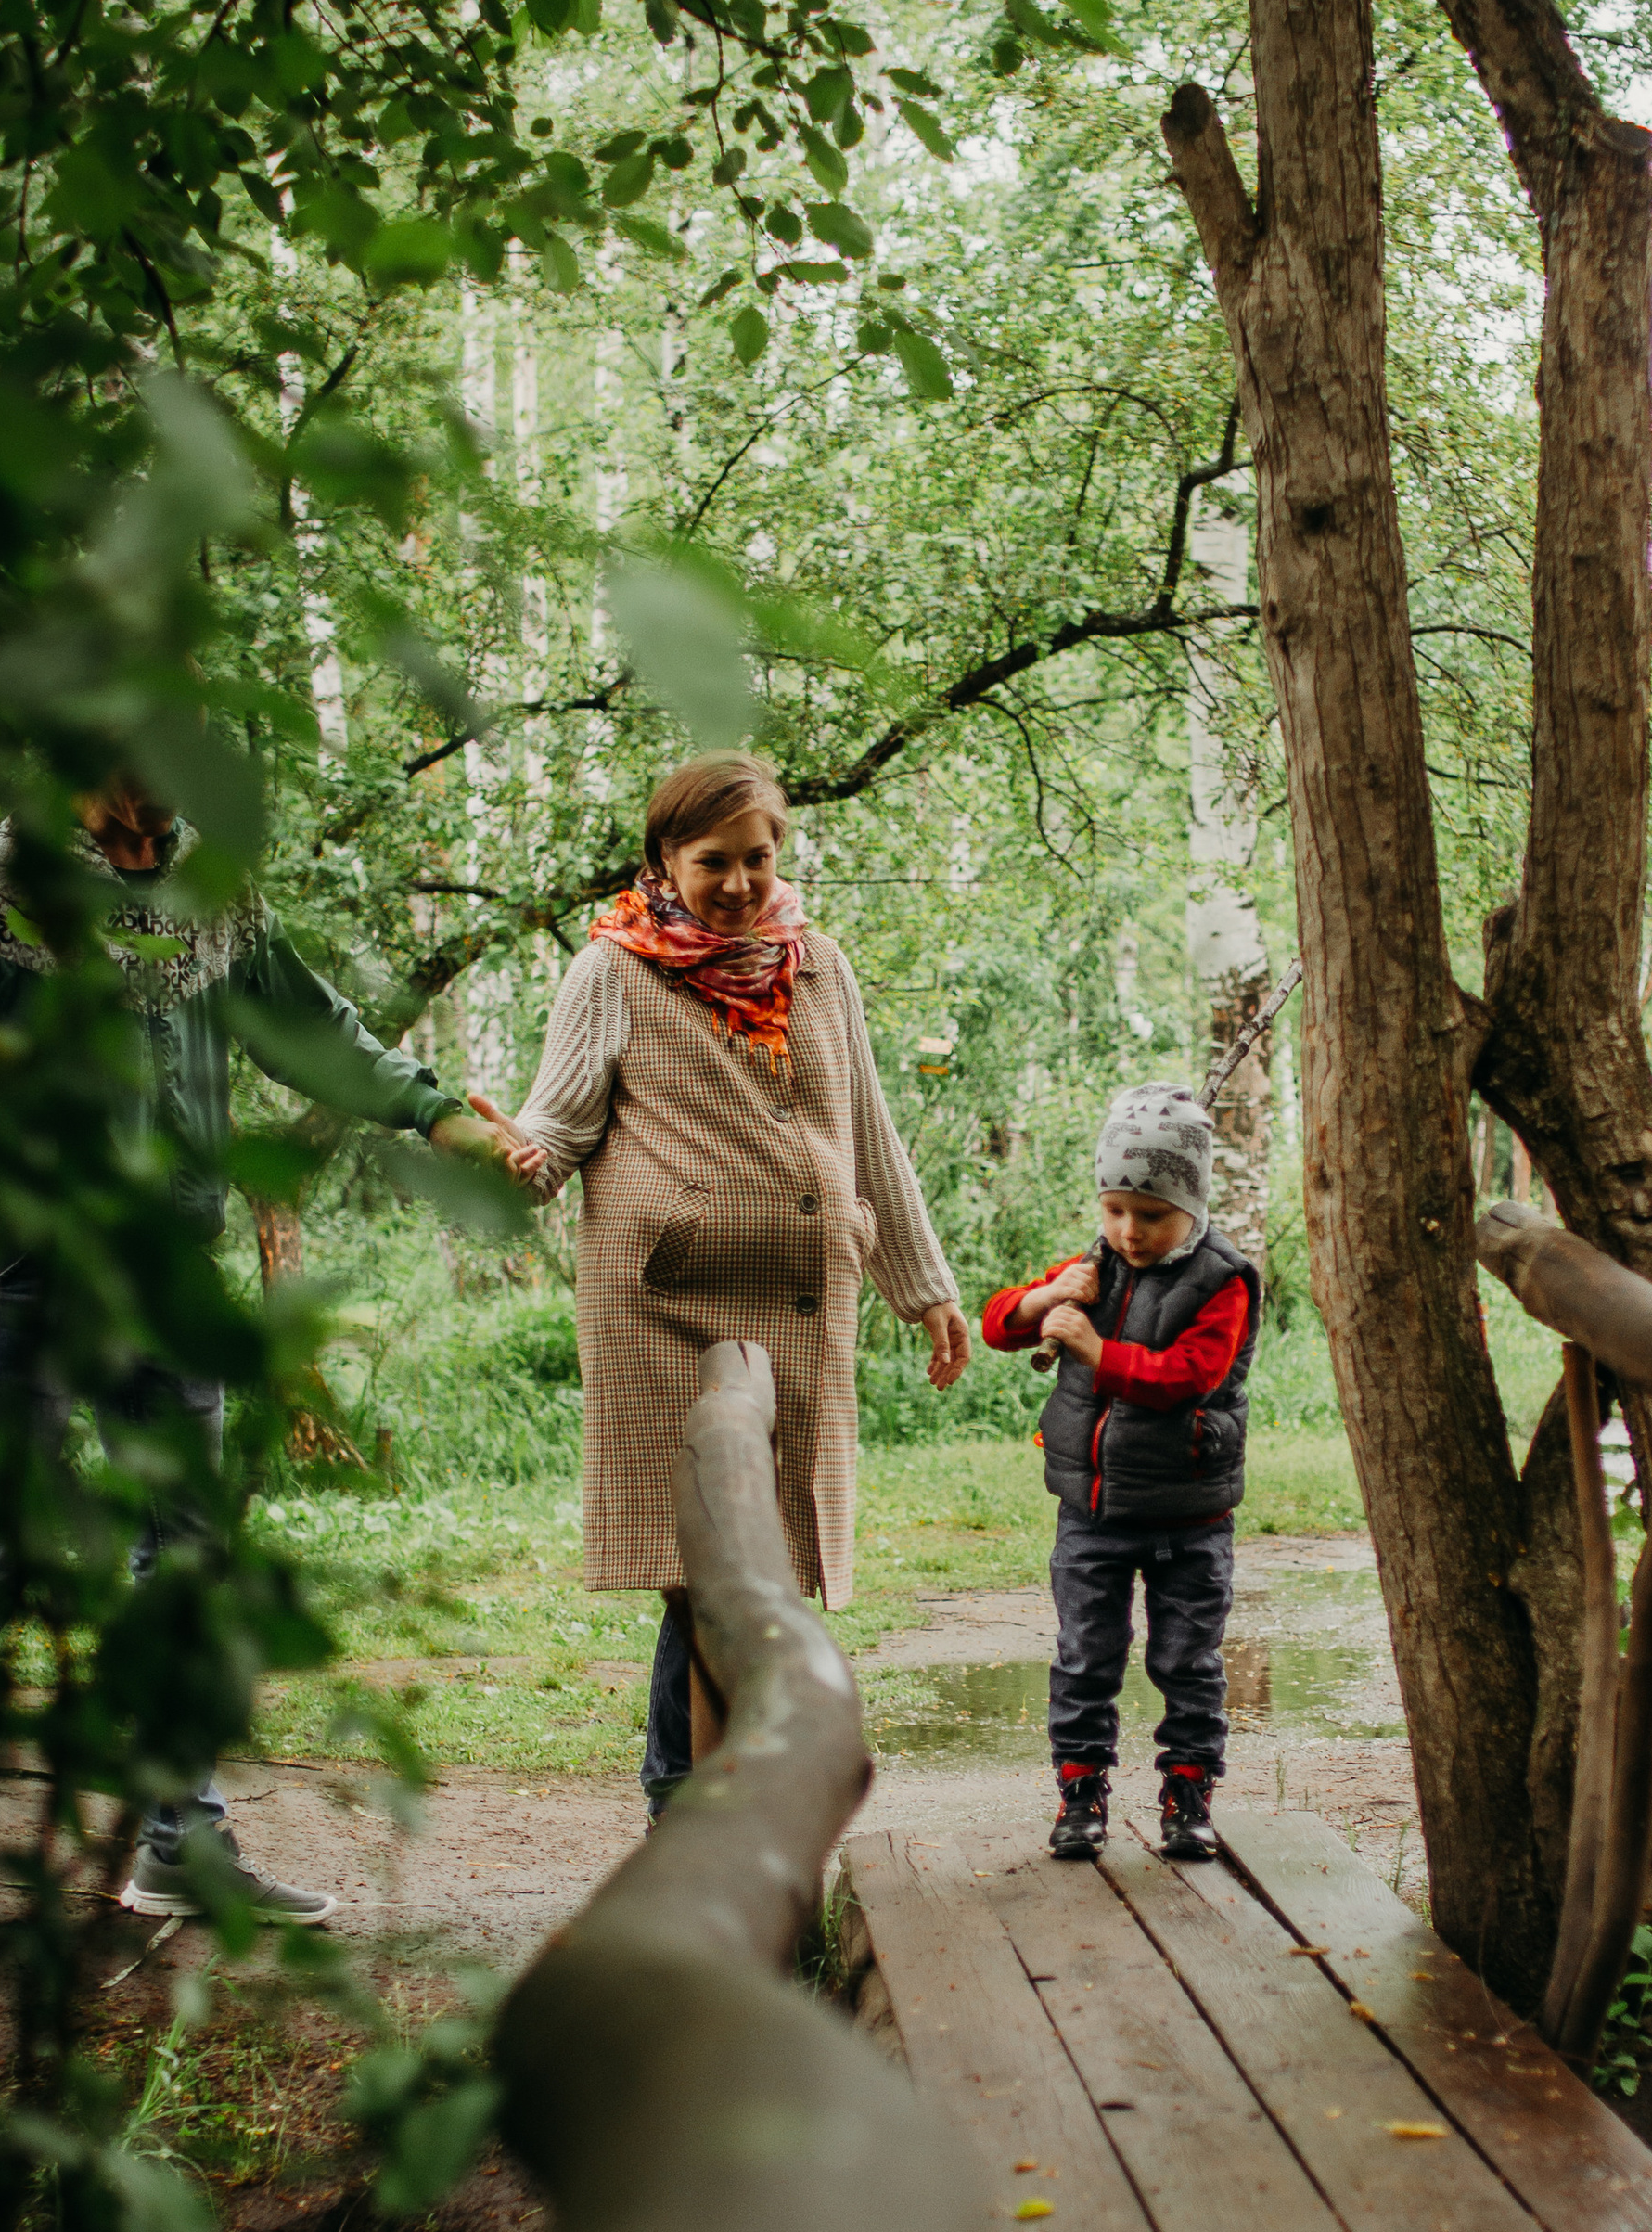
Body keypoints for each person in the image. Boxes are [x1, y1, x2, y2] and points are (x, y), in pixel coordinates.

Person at [0, 776, 528, 1943]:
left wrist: (438, 1112)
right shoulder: (2, 880)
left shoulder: (209, 891)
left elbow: (309, 1026)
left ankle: (180, 1842)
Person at [506, 752, 968, 1814]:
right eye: (713, 861)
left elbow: (869, 1133)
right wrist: (514, 1158)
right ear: (664, 862)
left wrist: (924, 1286)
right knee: (710, 1574)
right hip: (666, 1311)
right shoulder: (615, 971)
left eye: (757, 858)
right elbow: (557, 1125)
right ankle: (691, 1801)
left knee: (761, 1572)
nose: (740, 883)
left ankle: (719, 1798)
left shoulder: (818, 964)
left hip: (799, 1308)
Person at [980, 1083, 1260, 1864]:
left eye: (1150, 1214)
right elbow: (998, 1323)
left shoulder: (1223, 1279)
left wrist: (1099, 1353)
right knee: (1085, 1655)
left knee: (1186, 1658)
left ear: (1191, 1207)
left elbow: (1188, 1377)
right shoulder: (1095, 1261)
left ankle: (1189, 1795)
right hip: (1093, 1511)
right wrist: (1046, 1298)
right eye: (1115, 1211)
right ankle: (1080, 1794)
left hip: (1187, 1513)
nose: (1129, 1231)